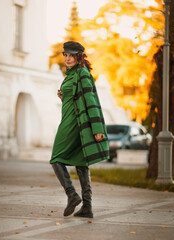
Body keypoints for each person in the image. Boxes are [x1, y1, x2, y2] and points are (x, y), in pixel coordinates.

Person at [50, 41, 109, 218]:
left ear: (79, 56)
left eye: (71, 55)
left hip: (73, 122)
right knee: (81, 162)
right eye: (65, 55)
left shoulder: (82, 73)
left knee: (56, 158)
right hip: (72, 119)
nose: (68, 58)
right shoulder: (72, 74)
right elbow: (77, 98)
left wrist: (98, 128)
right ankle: (87, 207)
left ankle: (72, 195)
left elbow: (91, 100)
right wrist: (64, 96)